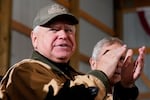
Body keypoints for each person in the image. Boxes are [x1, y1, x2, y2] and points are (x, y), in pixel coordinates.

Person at [0, 3, 142, 100]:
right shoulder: (23, 73)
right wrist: (101, 75)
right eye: (54, 29)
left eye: (69, 30)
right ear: (34, 39)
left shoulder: (76, 78)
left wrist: (125, 87)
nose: (63, 35)